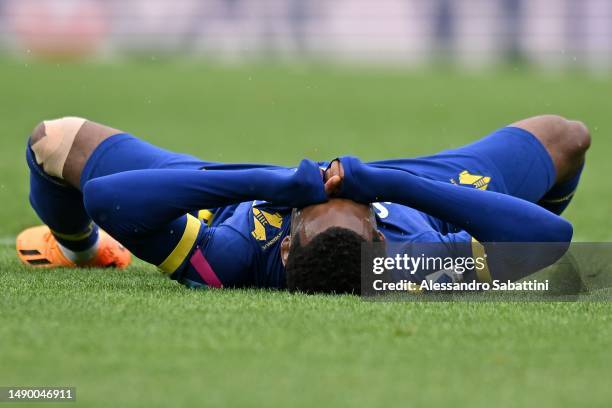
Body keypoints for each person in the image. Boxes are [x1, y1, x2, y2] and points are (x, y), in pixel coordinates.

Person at [16, 115, 590, 293]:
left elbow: (107, 198)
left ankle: (80, 250)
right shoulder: (412, 263)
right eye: (350, 201)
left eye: (335, 198)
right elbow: (549, 239)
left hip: (224, 195)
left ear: (287, 242)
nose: (336, 187)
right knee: (566, 139)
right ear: (381, 242)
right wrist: (388, 184)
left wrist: (277, 183)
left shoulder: (233, 259)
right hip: (424, 191)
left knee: (55, 141)